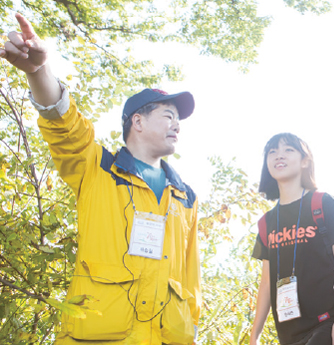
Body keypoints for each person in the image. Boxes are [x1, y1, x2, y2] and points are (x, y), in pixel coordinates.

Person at [1, 13, 201, 345]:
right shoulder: (96, 168)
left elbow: (190, 280)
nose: (176, 125)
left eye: (179, 119)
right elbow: (64, 124)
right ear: (137, 121)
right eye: (168, 115)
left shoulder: (186, 197)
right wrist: (38, 71)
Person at [250, 133, 334, 345]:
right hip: (289, 333)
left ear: (305, 161)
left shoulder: (322, 203)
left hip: (327, 322)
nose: (279, 155)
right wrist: (255, 335)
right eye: (272, 152)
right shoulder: (266, 223)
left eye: (288, 150)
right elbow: (266, 283)